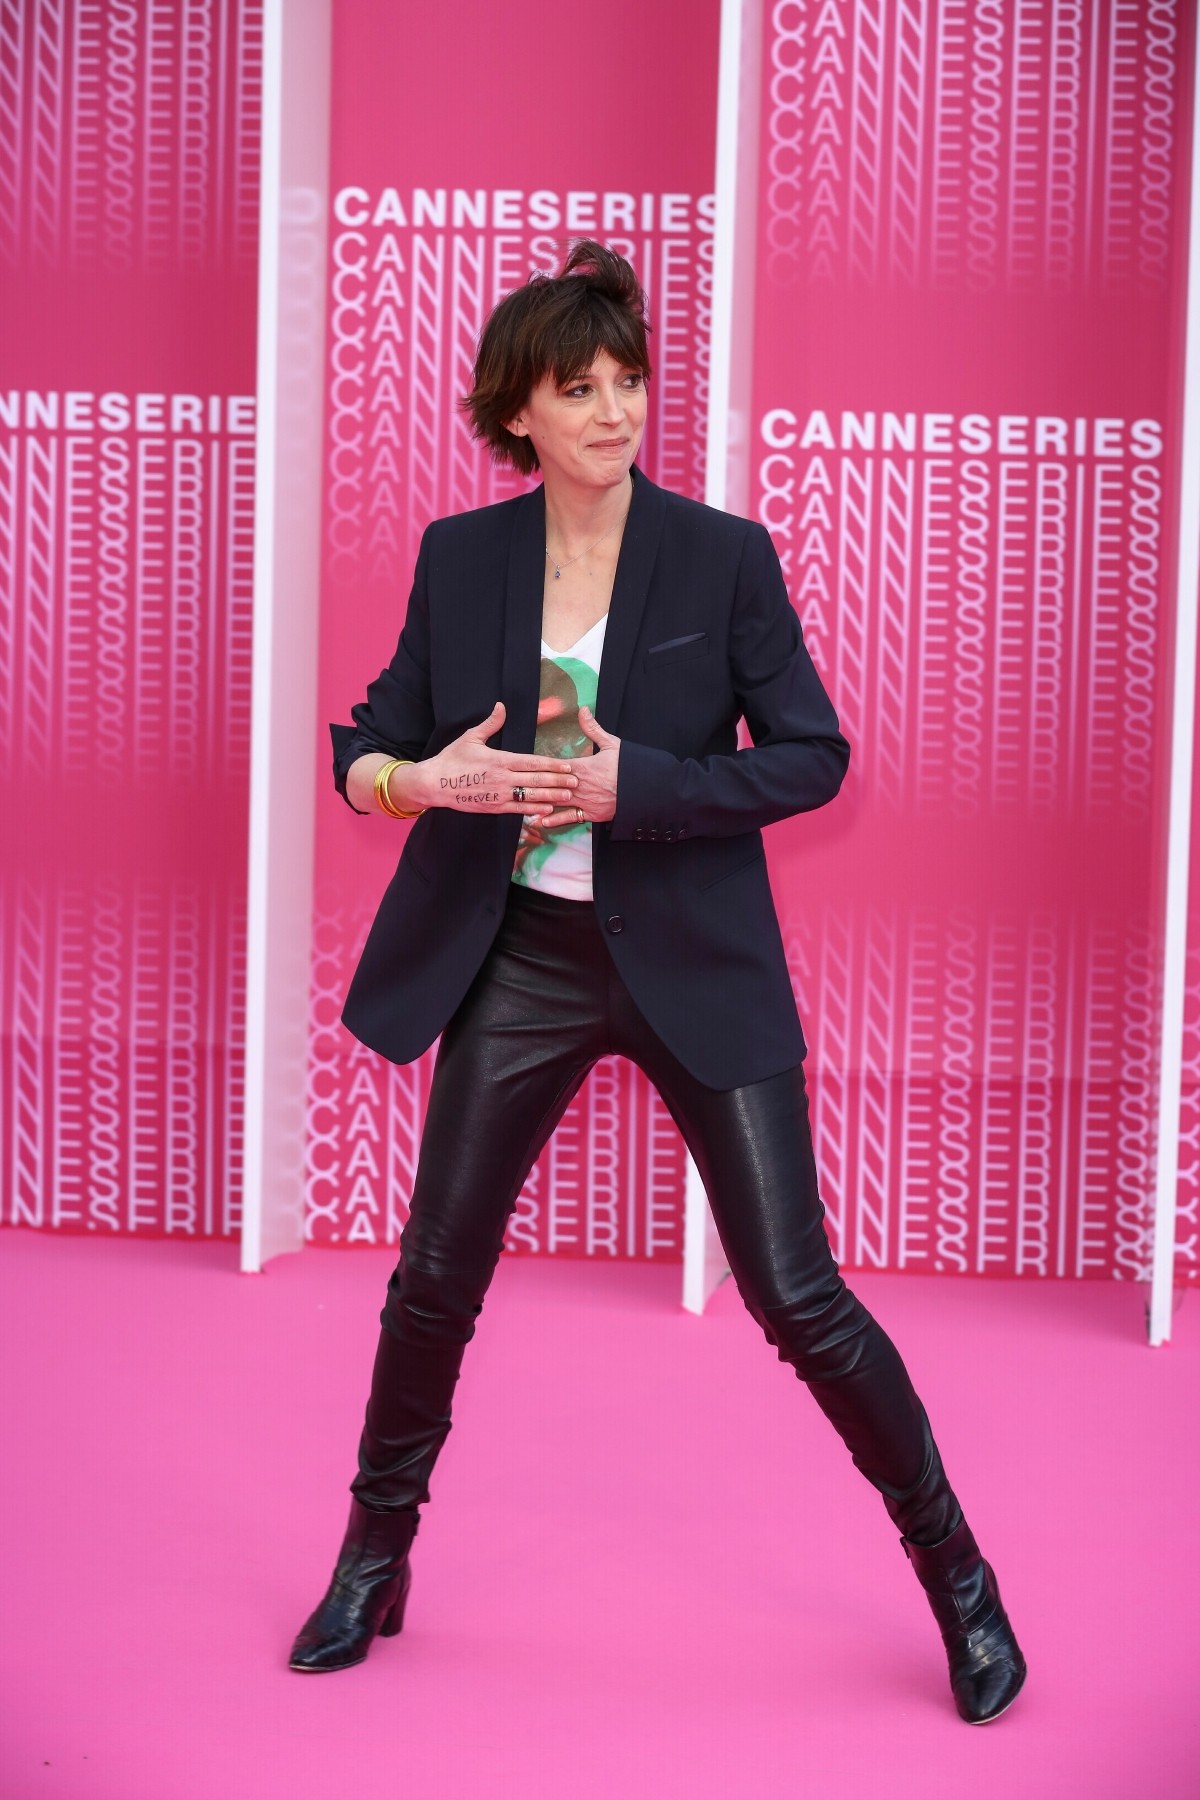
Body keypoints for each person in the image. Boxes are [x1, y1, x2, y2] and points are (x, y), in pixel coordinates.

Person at [289, 241, 1026, 1724]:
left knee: (798, 1295)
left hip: (692, 953)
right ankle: (375, 1555)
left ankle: (959, 1574)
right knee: (433, 1279)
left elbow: (813, 756)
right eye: (580, 389)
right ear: (519, 411)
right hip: (521, 958)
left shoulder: (720, 557)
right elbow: (366, 740)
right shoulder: (461, 557)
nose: (615, 411)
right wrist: (413, 781)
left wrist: (651, 789)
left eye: (629, 381)